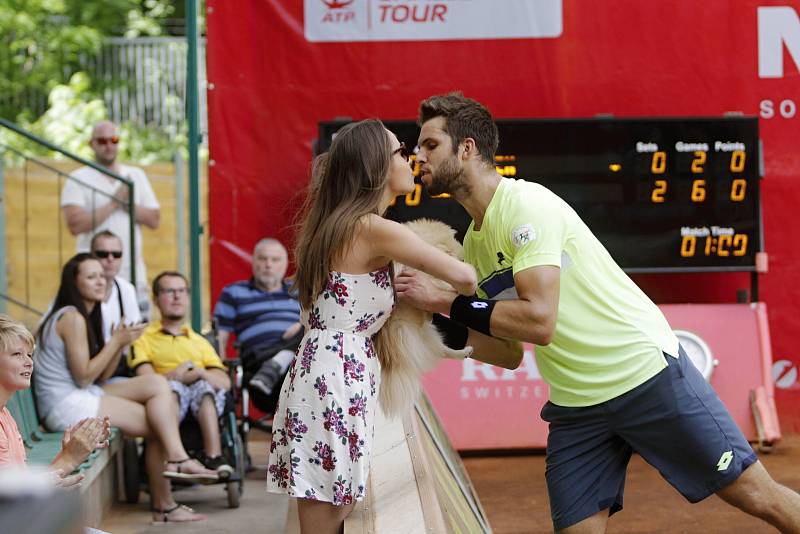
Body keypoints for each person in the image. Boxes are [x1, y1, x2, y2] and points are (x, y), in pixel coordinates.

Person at [395, 92, 800, 533]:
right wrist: (438, 325)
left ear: (467, 148)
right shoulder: (474, 244)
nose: (419, 156)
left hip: (643, 375)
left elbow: (540, 322)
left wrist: (444, 301)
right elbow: (510, 352)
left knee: (758, 496)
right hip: (577, 406)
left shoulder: (526, 207)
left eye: (430, 145)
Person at [265, 118, 491, 534]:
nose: (411, 159)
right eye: (401, 151)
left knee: (326, 514)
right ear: (377, 167)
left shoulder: (336, 224)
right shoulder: (374, 230)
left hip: (329, 370)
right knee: (325, 517)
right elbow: (465, 277)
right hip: (336, 376)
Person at [34, 253, 217, 524]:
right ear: (74, 282)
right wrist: (115, 341)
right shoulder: (71, 317)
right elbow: (84, 377)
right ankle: (168, 495)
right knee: (159, 421)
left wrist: (119, 345)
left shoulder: (84, 314)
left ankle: (174, 475)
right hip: (65, 403)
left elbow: (97, 377)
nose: (101, 281)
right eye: (91, 276)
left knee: (156, 384)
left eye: (102, 276)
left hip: (82, 392)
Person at [130, 271, 233, 478]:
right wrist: (176, 376)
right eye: (169, 291)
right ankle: (172, 457)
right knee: (173, 390)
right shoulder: (143, 338)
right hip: (167, 397)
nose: (177, 297)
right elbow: (145, 379)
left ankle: (213, 457)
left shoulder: (199, 341)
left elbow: (225, 382)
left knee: (204, 388)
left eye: (181, 291)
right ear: (156, 300)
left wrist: (200, 373)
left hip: (203, 397)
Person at [0, 314, 111, 486]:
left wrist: (71, 453)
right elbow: (11, 496)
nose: (29, 362)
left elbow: (17, 488)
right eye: (17, 354)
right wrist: (68, 459)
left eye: (29, 355)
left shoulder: (5, 414)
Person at [61, 120, 160, 309]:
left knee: (136, 332)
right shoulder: (78, 178)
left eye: (114, 140)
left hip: (132, 273)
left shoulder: (135, 175)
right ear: (92, 144)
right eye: (102, 141)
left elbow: (154, 219)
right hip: (92, 277)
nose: (109, 145)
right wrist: (115, 202)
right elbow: (75, 225)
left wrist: (128, 205)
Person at [213, 238, 301, 405]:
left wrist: (302, 325)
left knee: (315, 323)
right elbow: (219, 338)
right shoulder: (234, 292)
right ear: (253, 262)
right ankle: (277, 362)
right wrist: (219, 371)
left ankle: (280, 361)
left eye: (275, 260)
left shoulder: (298, 292)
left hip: (298, 361)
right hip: (258, 361)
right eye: (263, 258)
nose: (268, 265)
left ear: (284, 264)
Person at [91, 230, 141, 378]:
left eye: (117, 254)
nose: (110, 259)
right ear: (91, 255)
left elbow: (133, 337)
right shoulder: (78, 289)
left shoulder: (126, 289)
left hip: (118, 368)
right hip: (90, 371)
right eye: (102, 254)